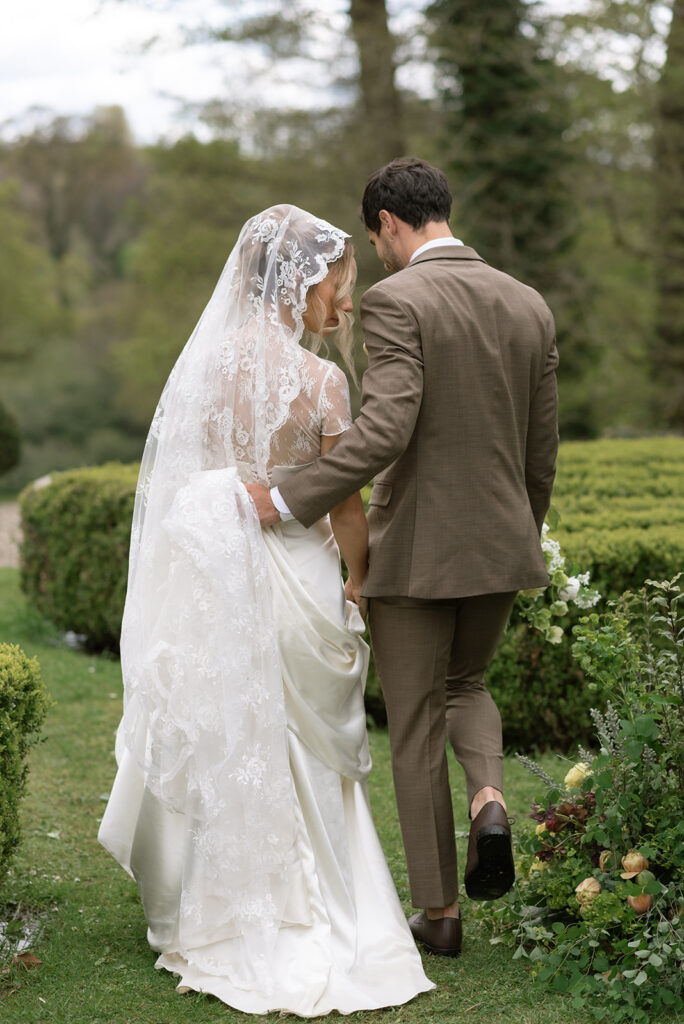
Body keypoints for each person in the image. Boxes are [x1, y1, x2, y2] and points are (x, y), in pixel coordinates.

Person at [98, 204, 434, 1014]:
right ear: (300, 283)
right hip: (293, 572)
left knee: (222, 727)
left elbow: (179, 481)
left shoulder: (201, 369)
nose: (343, 304)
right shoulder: (320, 380)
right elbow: (345, 505)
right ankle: (314, 908)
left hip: (212, 575)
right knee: (299, 743)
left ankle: (204, 906)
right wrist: (360, 576)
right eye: (336, 286)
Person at [246, 158, 559, 959]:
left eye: (374, 239)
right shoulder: (528, 304)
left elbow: (384, 433)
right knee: (469, 683)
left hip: (418, 546)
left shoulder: (397, 302)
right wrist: (522, 529)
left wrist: (286, 500)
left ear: (387, 223)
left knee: (416, 721)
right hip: (502, 537)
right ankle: (488, 794)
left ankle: (440, 913)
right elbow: (540, 451)